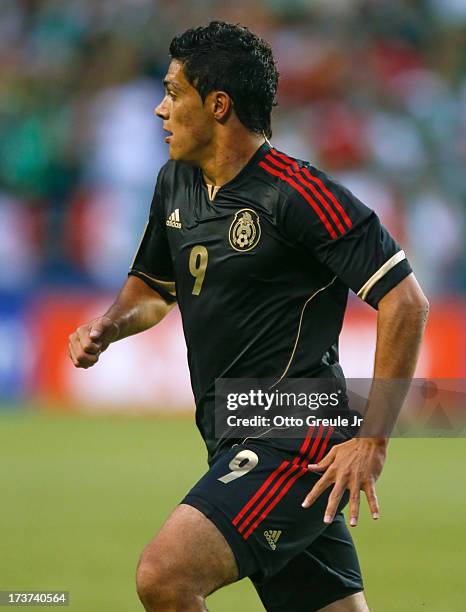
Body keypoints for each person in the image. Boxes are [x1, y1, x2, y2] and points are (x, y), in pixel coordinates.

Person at [68, 21, 429, 612]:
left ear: (217, 105)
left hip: (292, 433)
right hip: (227, 429)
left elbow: (406, 301)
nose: (159, 109)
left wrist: (373, 438)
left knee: (164, 576)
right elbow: (155, 288)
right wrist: (109, 325)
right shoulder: (175, 183)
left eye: (172, 92)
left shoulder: (300, 194)